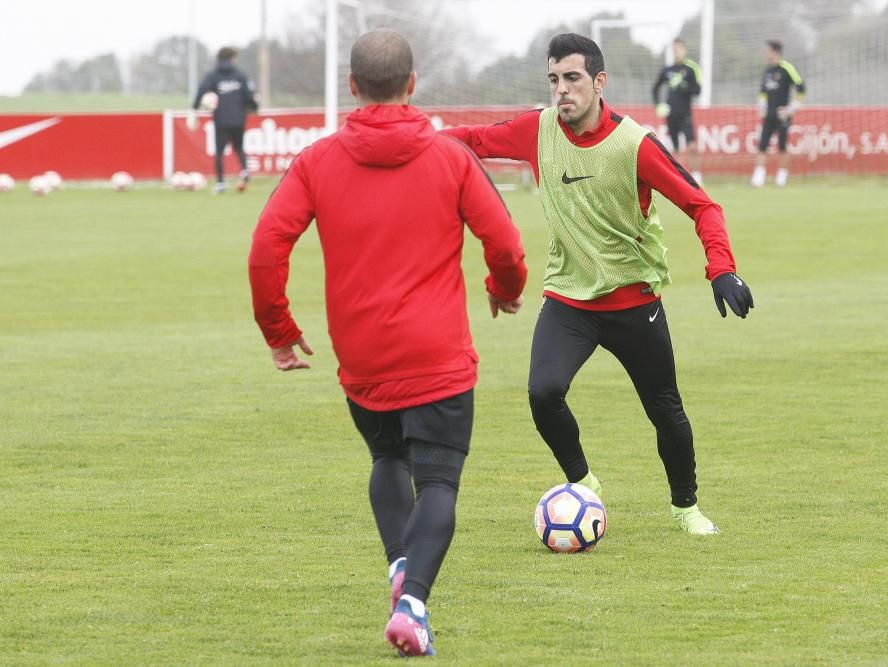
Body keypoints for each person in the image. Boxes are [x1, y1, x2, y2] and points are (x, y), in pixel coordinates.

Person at [248, 30, 527, 658]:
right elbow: (506, 243)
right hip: (438, 357)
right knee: (439, 484)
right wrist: (504, 287)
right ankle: (413, 602)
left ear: (352, 87)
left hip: (363, 358)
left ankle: (400, 564)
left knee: (387, 461)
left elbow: (267, 248)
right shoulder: (451, 158)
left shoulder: (316, 161)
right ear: (412, 83)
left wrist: (280, 331)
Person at [444, 33, 753, 537]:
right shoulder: (536, 130)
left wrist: (721, 268)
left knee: (665, 411)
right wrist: (409, 134)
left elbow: (703, 206)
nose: (561, 90)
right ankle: (582, 483)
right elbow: (472, 141)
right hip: (568, 298)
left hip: (634, 301)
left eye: (572, 78)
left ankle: (686, 509)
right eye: (553, 79)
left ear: (599, 82)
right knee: (543, 393)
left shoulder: (635, 144)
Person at [191, 47, 259, 193]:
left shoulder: (213, 75)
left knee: (220, 151)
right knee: (239, 148)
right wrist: (254, 107)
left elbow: (201, 90)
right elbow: (249, 95)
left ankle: (220, 183)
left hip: (221, 119)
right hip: (238, 119)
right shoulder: (240, 75)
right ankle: (244, 172)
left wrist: (194, 107)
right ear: (231, 58)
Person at [751, 40, 806, 187]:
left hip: (783, 115)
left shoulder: (787, 68)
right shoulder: (767, 71)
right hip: (768, 115)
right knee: (762, 145)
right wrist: (761, 107)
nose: (765, 53)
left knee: (782, 146)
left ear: (775, 51)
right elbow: (763, 92)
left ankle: (781, 178)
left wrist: (791, 109)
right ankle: (758, 179)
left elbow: (801, 87)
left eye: (767, 50)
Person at [652, 38, 702, 183]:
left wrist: (686, 88)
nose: (677, 52)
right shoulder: (668, 70)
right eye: (674, 49)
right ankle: (679, 178)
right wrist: (659, 104)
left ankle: (697, 176)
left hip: (685, 114)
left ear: (684, 50)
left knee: (692, 146)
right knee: (675, 148)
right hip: (671, 114)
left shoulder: (691, 69)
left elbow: (698, 90)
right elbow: (655, 88)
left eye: (679, 49)